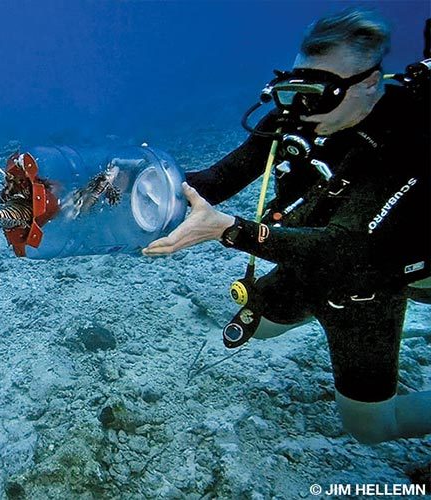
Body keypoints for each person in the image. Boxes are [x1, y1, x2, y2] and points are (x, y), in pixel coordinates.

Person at [143, 9, 431, 444]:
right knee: (256, 327)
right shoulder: (290, 118)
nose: (301, 107)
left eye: (319, 93)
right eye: (294, 89)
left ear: (370, 83)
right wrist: (133, 190)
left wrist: (228, 230)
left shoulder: (409, 137)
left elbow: (348, 250)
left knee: (371, 428)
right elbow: (217, 181)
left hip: (372, 283)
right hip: (304, 261)